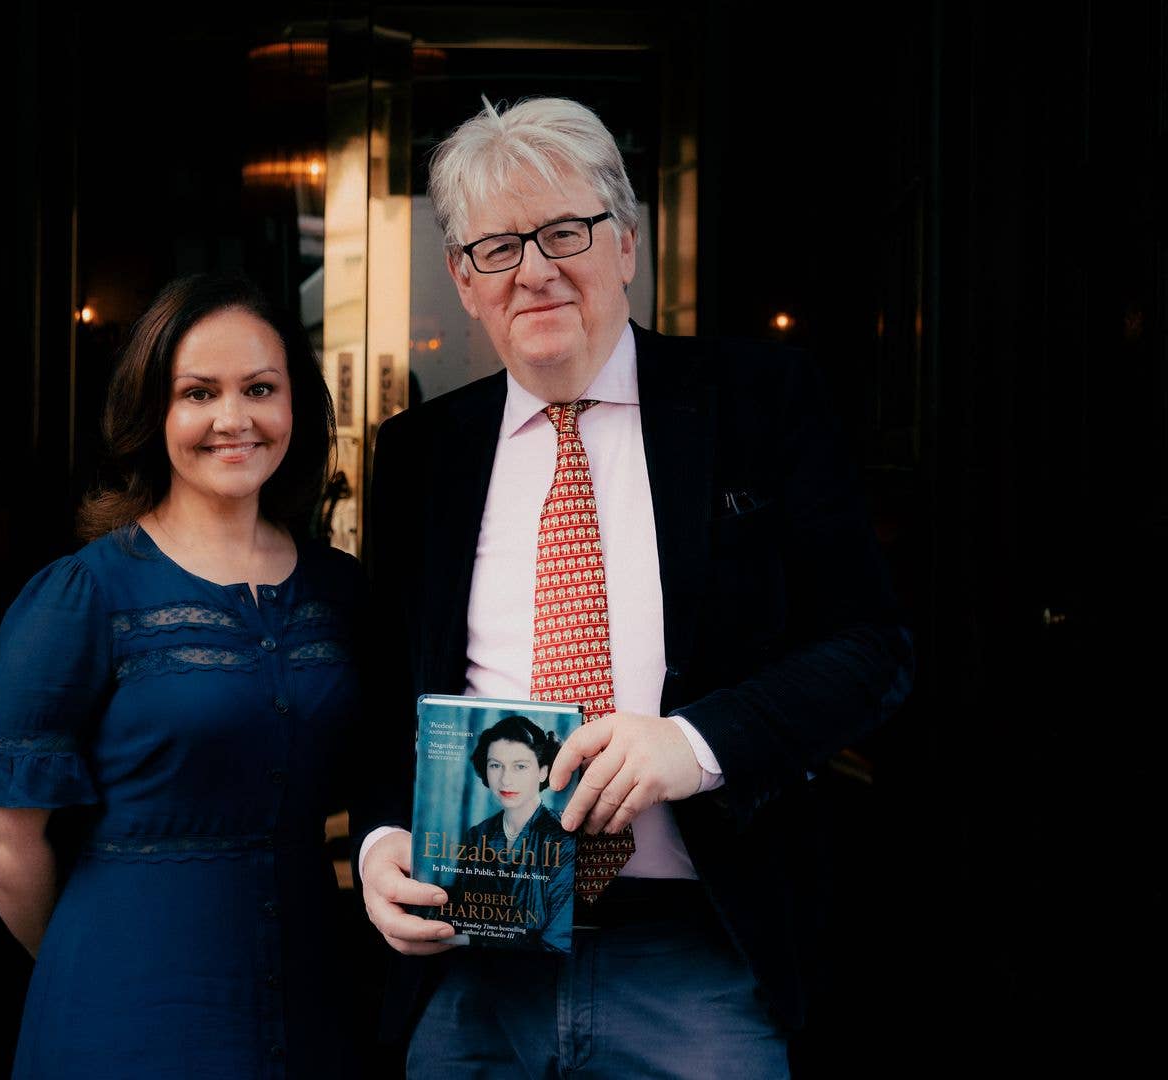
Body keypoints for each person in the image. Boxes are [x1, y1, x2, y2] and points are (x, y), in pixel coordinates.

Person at [352, 97, 913, 1078]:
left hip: (698, 956)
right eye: (497, 247)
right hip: (476, 958)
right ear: (463, 278)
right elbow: (375, 694)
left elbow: (871, 647)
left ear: (626, 244)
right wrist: (380, 845)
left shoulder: (758, 402)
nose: (534, 269)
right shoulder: (416, 457)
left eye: (564, 232)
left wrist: (693, 744)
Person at [0, 273, 359, 1079]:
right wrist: (91, 954)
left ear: (294, 406)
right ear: (155, 413)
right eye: (198, 393)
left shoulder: (341, 589)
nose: (233, 419)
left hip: (318, 994)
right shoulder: (86, 593)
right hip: (130, 1004)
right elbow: (2, 831)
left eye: (260, 389)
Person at [458, 715, 573, 953]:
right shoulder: (476, 836)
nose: (505, 779)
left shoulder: (562, 836)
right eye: (495, 765)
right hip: (475, 965)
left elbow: (558, 938)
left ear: (543, 771)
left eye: (520, 766)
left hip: (545, 971)